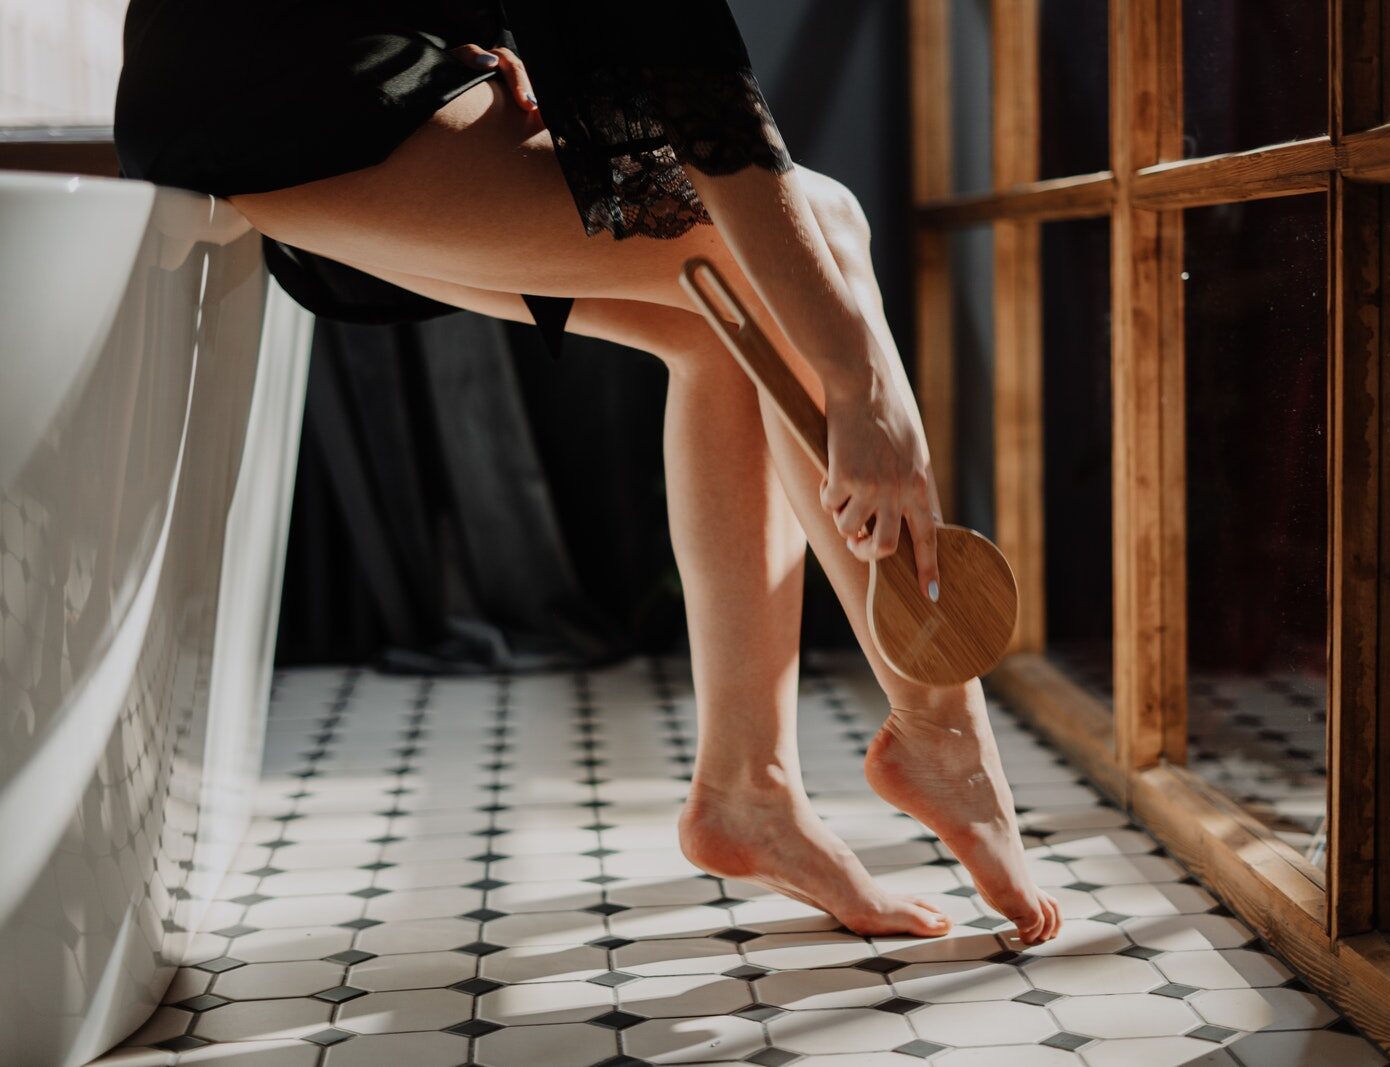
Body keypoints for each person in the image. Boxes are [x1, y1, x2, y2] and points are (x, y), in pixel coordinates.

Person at [114, 0, 1060, 945]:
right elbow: (692, 77)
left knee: (721, 328)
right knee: (822, 228)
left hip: (295, 65)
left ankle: (748, 791)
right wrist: (863, 385)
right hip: (269, 84)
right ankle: (941, 727)